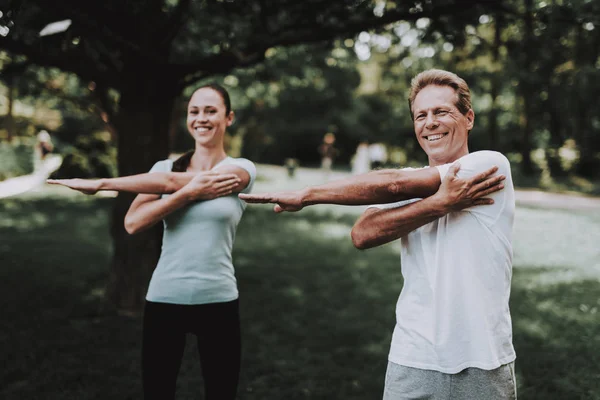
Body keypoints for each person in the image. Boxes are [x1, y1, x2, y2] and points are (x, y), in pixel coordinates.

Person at [240, 69, 516, 399]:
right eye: (420, 115)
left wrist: (307, 194)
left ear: (468, 118)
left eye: (441, 112)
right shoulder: (416, 181)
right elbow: (362, 233)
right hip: (412, 356)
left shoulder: (489, 166)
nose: (429, 123)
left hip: (481, 358)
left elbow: (393, 185)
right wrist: (439, 204)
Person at [48, 83, 257, 400]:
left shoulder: (241, 170)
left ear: (229, 118)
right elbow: (133, 223)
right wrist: (188, 195)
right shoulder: (162, 168)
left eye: (210, 111)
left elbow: (173, 183)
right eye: (194, 111)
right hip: (165, 298)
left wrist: (102, 183)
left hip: (219, 299)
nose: (201, 118)